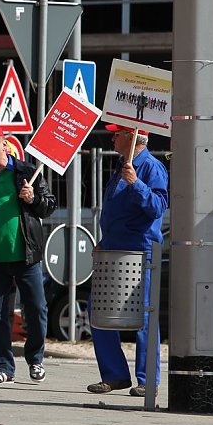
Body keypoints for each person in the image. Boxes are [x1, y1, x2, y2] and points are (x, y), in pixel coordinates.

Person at [88, 124, 169, 397]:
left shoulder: (150, 167)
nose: (112, 138)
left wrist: (136, 184)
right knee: (99, 313)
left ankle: (148, 380)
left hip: (139, 251)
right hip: (113, 250)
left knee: (144, 317)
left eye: (117, 134)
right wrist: (104, 241)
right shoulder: (124, 164)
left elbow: (157, 207)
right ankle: (115, 375)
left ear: (133, 137)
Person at [0, 123, 56, 385]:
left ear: (4, 143)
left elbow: (48, 208)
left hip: (26, 256)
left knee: (36, 308)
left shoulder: (26, 171)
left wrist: (33, 198)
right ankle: (3, 366)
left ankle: (36, 359)